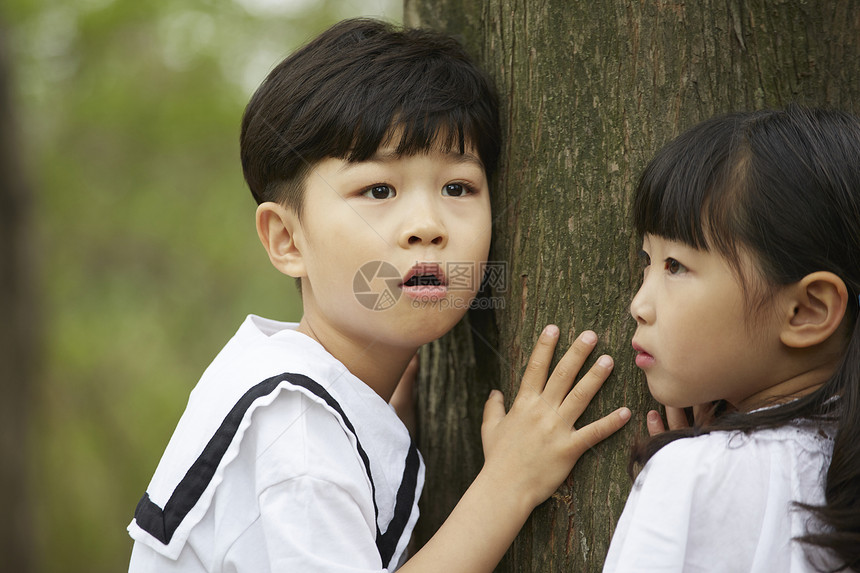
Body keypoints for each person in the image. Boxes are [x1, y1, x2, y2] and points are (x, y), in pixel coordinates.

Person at [127, 18, 631, 572]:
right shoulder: (296, 435)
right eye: (378, 189)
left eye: (457, 187)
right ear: (287, 239)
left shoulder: (311, 400)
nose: (427, 225)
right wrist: (511, 482)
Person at [603, 106, 860, 572]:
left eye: (675, 266)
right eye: (647, 260)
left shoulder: (692, 477)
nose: (638, 305)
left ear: (807, 311)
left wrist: (687, 488)